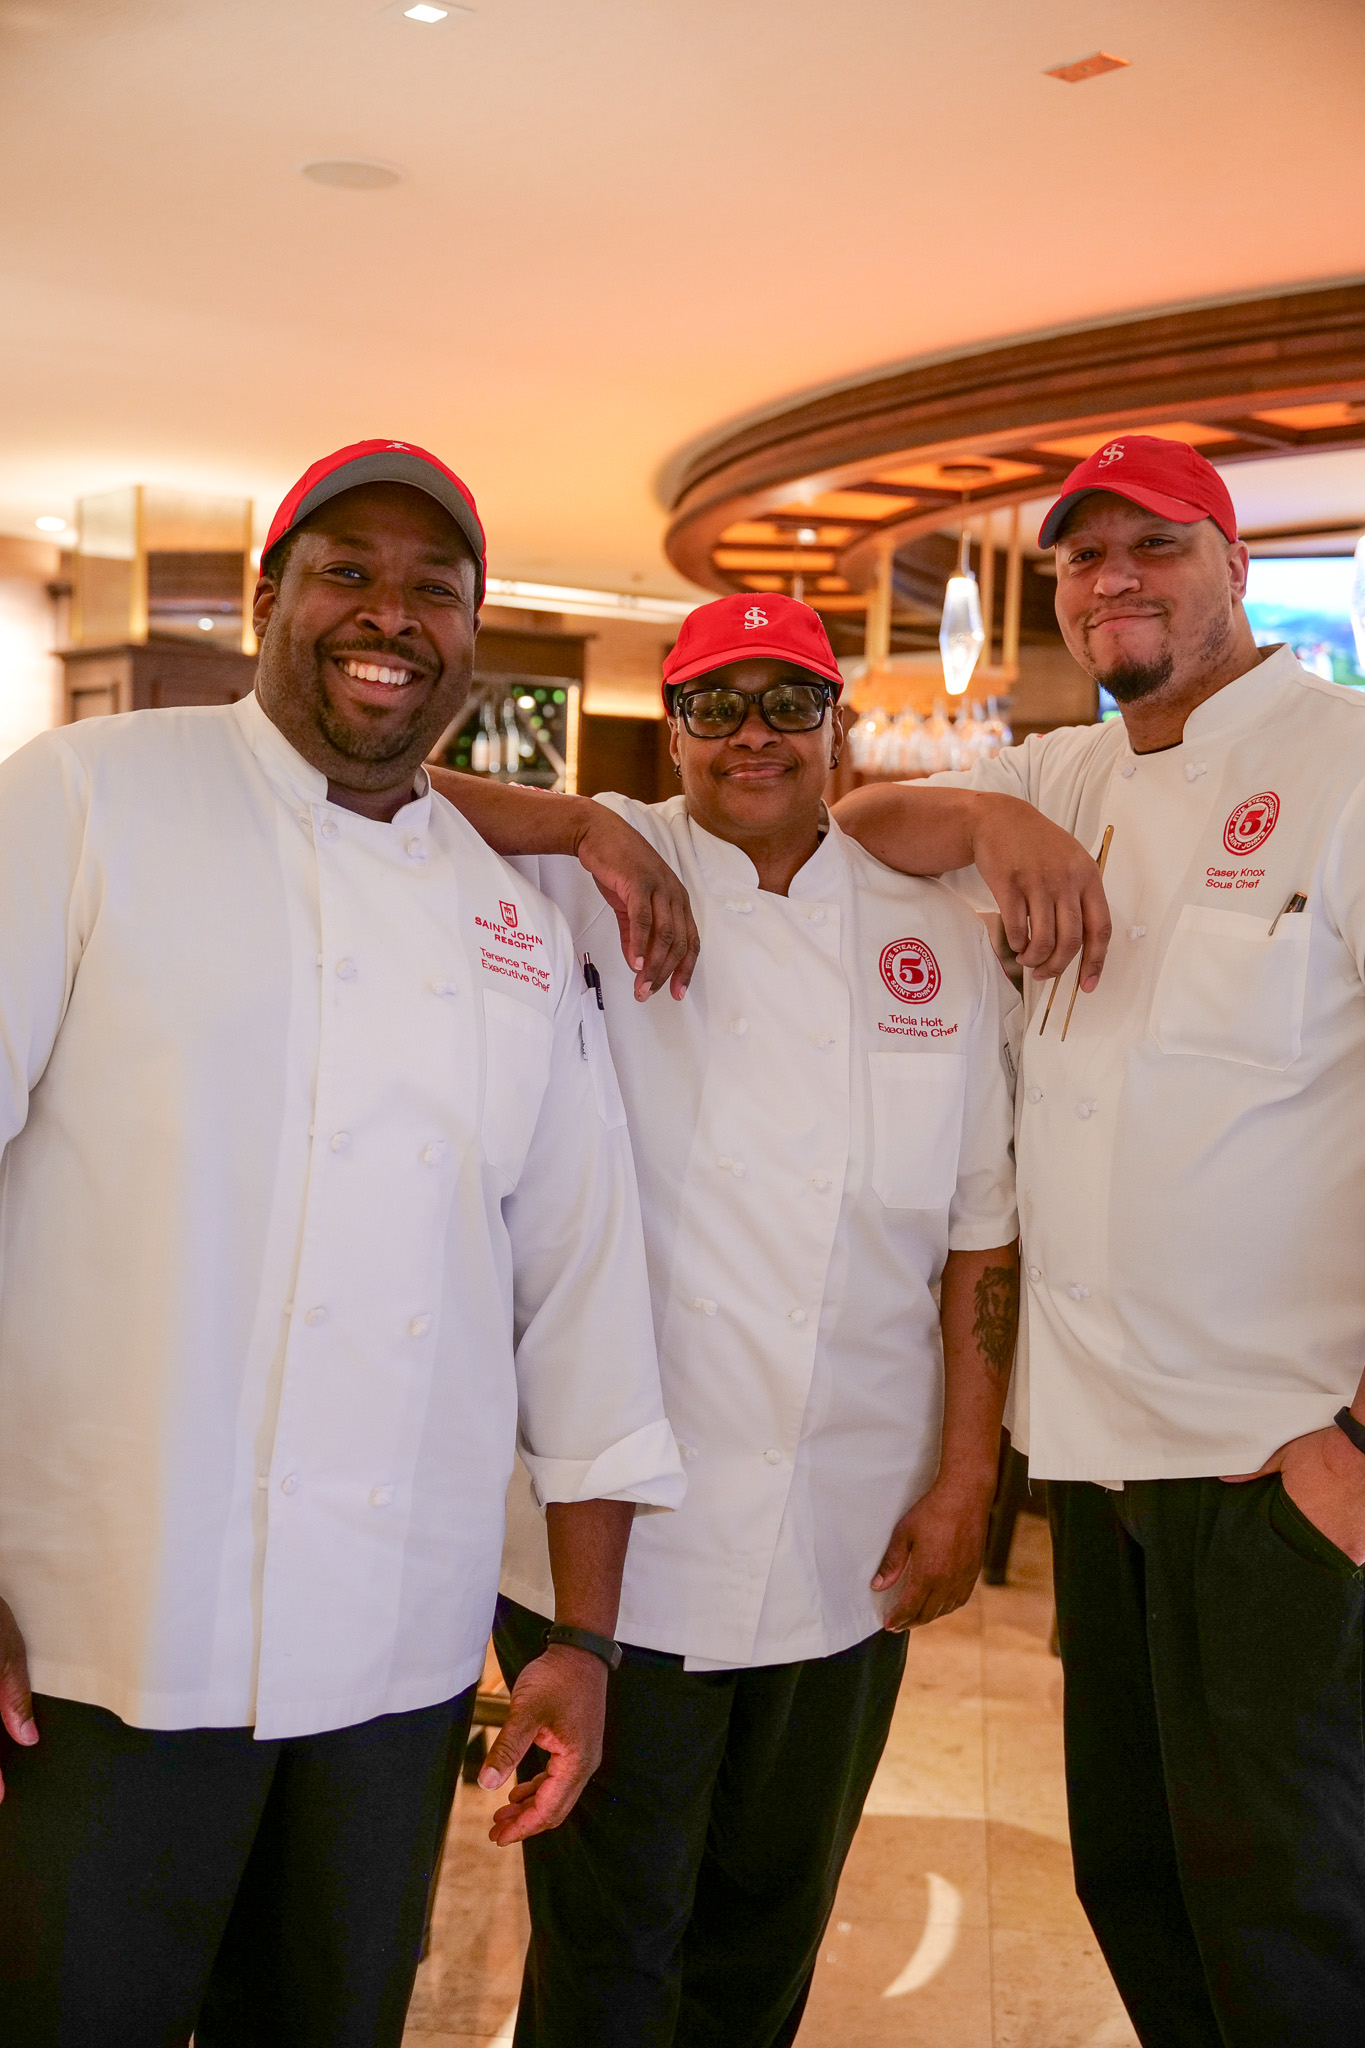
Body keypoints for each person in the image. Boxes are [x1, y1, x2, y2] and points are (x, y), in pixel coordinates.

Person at [0, 438, 687, 2048]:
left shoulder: (511, 923)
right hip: (105, 1633)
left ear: (472, 633)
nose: (391, 615)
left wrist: (581, 1638)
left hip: (394, 1656)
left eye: (434, 589)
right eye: (348, 572)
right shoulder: (86, 798)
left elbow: (580, 1290)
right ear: (270, 599)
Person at [423, 590, 1018, 2047]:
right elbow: (362, 785)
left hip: (846, 1534)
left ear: (836, 726)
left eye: (788, 701)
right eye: (715, 704)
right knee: (608, 1960)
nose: (754, 734)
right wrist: (581, 821)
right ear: (675, 726)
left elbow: (978, 1238)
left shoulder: (939, 937)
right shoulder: (585, 878)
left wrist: (965, 1479)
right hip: (617, 1543)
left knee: (765, 1944)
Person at [837, 434, 1365, 2047]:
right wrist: (989, 824)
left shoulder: (1344, 764)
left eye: (1155, 545)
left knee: (1297, 1930)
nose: (1111, 579)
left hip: (1275, 1471)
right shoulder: (1065, 773)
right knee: (1140, 1892)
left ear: (1235, 565)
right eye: (1080, 557)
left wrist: (1354, 1444)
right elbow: (862, 820)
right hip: (1096, 1469)